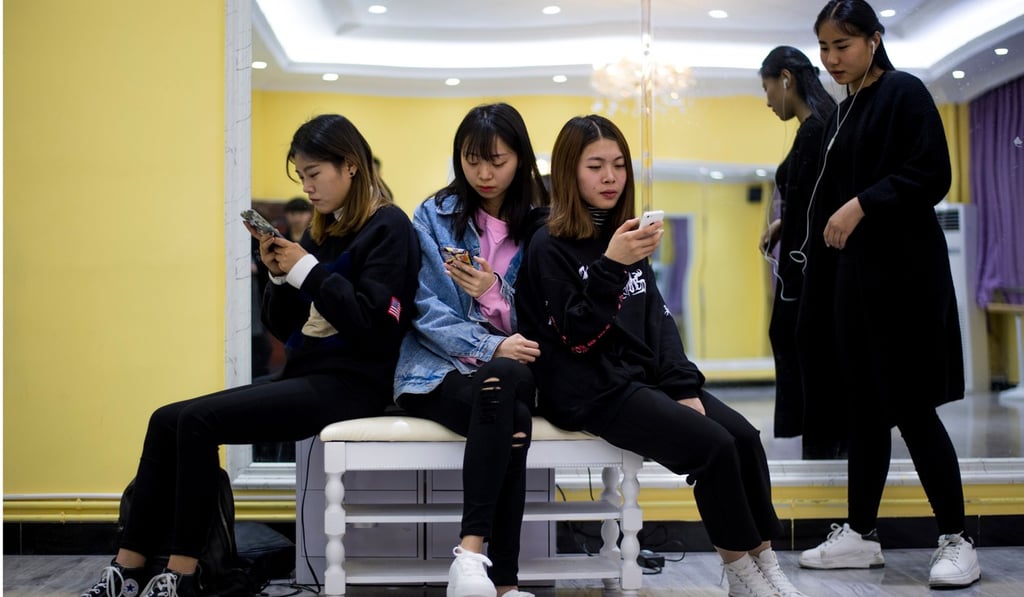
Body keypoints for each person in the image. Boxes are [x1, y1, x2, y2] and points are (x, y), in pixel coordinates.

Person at [80, 114, 420, 597]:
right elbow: (286, 325)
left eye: (314, 173)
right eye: (300, 177)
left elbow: (375, 328)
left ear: (350, 166)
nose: (308, 187)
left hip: (353, 385)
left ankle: (183, 574)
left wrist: (307, 270)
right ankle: (128, 568)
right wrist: (281, 276)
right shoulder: (324, 232)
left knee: (197, 422)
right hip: (309, 375)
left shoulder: (390, 226)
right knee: (165, 419)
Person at [516, 114, 807, 597]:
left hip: (639, 378)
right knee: (711, 448)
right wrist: (612, 263)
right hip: (589, 389)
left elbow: (659, 321)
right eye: (595, 166)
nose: (610, 177)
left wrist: (684, 387)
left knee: (743, 436)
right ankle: (739, 574)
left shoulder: (629, 235)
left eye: (618, 165)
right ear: (570, 172)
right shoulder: (548, 244)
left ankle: (764, 561)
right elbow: (576, 335)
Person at [796, 1, 981, 588]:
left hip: (902, 279)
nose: (830, 60)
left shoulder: (904, 92)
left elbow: (932, 172)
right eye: (823, 48)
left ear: (874, 40)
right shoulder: (843, 113)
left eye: (842, 46)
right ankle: (860, 533)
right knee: (865, 412)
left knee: (910, 407)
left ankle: (958, 539)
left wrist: (863, 203)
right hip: (854, 284)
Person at [394, 103, 548, 597]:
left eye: (497, 161)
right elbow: (423, 308)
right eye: (471, 159)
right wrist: (491, 343)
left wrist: (491, 293)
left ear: (520, 159)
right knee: (512, 410)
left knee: (505, 382)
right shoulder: (433, 215)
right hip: (435, 371)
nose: (483, 173)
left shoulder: (545, 224)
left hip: (512, 367)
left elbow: (544, 321)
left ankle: (470, 560)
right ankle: (501, 583)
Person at [758, 46, 846, 459]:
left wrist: (795, 260)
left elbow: (819, 210)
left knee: (813, 369)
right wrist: (782, 223)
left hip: (808, 274)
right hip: (808, 267)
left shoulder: (813, 132)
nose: (768, 99)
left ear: (786, 80)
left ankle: (822, 459)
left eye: (767, 88)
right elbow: (811, 201)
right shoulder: (820, 127)